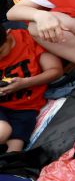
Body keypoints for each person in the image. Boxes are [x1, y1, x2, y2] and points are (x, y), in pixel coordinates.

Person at [0, 23, 62, 151]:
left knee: (14, 150)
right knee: (3, 131)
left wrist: (25, 83)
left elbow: (55, 70)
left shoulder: (27, 40)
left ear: (8, 33)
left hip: (26, 108)